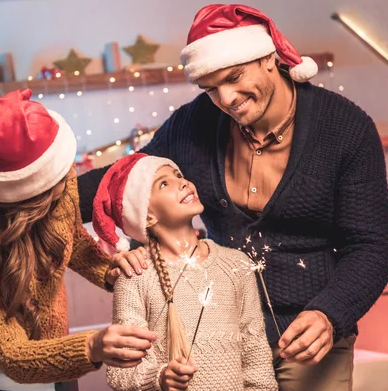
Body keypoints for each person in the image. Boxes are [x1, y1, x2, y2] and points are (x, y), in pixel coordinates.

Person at [78, 4, 388, 391]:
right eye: (210, 88)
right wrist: (24, 195)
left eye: (233, 77)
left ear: (268, 58)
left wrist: (331, 313)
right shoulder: (195, 123)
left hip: (307, 336)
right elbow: (126, 175)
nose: (226, 98)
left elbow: (371, 247)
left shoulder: (346, 129)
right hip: (218, 331)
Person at [0, 89, 155, 391]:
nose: (70, 178)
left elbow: (71, 241)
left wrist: (110, 271)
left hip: (55, 351)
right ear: (28, 198)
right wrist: (92, 346)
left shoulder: (59, 183)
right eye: (61, 177)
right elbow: (10, 353)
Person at [92, 153, 277, 390]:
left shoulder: (236, 265)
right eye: (164, 183)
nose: (183, 182)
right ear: (147, 216)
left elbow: (257, 357)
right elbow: (120, 374)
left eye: (179, 175)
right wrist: (159, 378)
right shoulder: (136, 276)